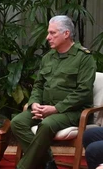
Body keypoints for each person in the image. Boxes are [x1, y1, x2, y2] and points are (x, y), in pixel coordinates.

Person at [11, 15, 96, 169]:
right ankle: (48, 162)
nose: (47, 37)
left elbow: (83, 92)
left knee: (46, 124)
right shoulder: (48, 58)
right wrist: (35, 103)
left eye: (52, 33)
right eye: (48, 33)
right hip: (45, 108)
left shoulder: (84, 58)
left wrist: (56, 109)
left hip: (72, 112)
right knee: (17, 122)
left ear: (66, 34)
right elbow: (39, 85)